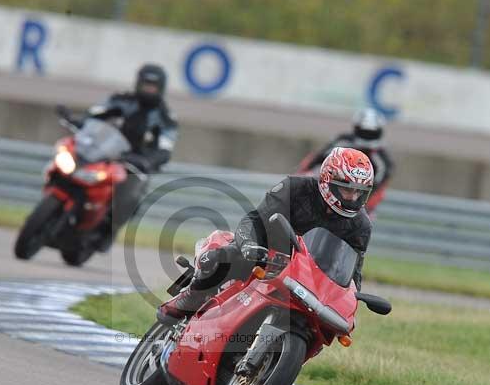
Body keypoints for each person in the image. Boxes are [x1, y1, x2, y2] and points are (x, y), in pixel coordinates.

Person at [157, 147, 374, 324]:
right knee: (223, 259)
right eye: (347, 189)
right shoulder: (295, 187)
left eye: (359, 192)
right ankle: (191, 296)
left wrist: (348, 299)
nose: (352, 197)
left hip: (308, 274)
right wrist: (249, 245)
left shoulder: (361, 225)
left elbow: (353, 271)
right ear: (328, 179)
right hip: (267, 248)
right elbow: (257, 220)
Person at [86, 63, 179, 247]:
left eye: (153, 87)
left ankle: (108, 230)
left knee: (131, 195)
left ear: (160, 89)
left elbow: (166, 147)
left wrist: (149, 160)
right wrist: (79, 120)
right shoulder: (120, 99)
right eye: (146, 85)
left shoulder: (165, 116)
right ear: (138, 83)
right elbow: (96, 114)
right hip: (106, 152)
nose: (148, 90)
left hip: (136, 164)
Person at [297, 108, 393, 218]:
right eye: (364, 131)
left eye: (372, 133)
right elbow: (316, 159)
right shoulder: (343, 141)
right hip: (329, 192)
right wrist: (300, 178)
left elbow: (377, 189)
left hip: (358, 204)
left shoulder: (383, 160)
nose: (367, 135)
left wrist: (359, 207)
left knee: (364, 220)